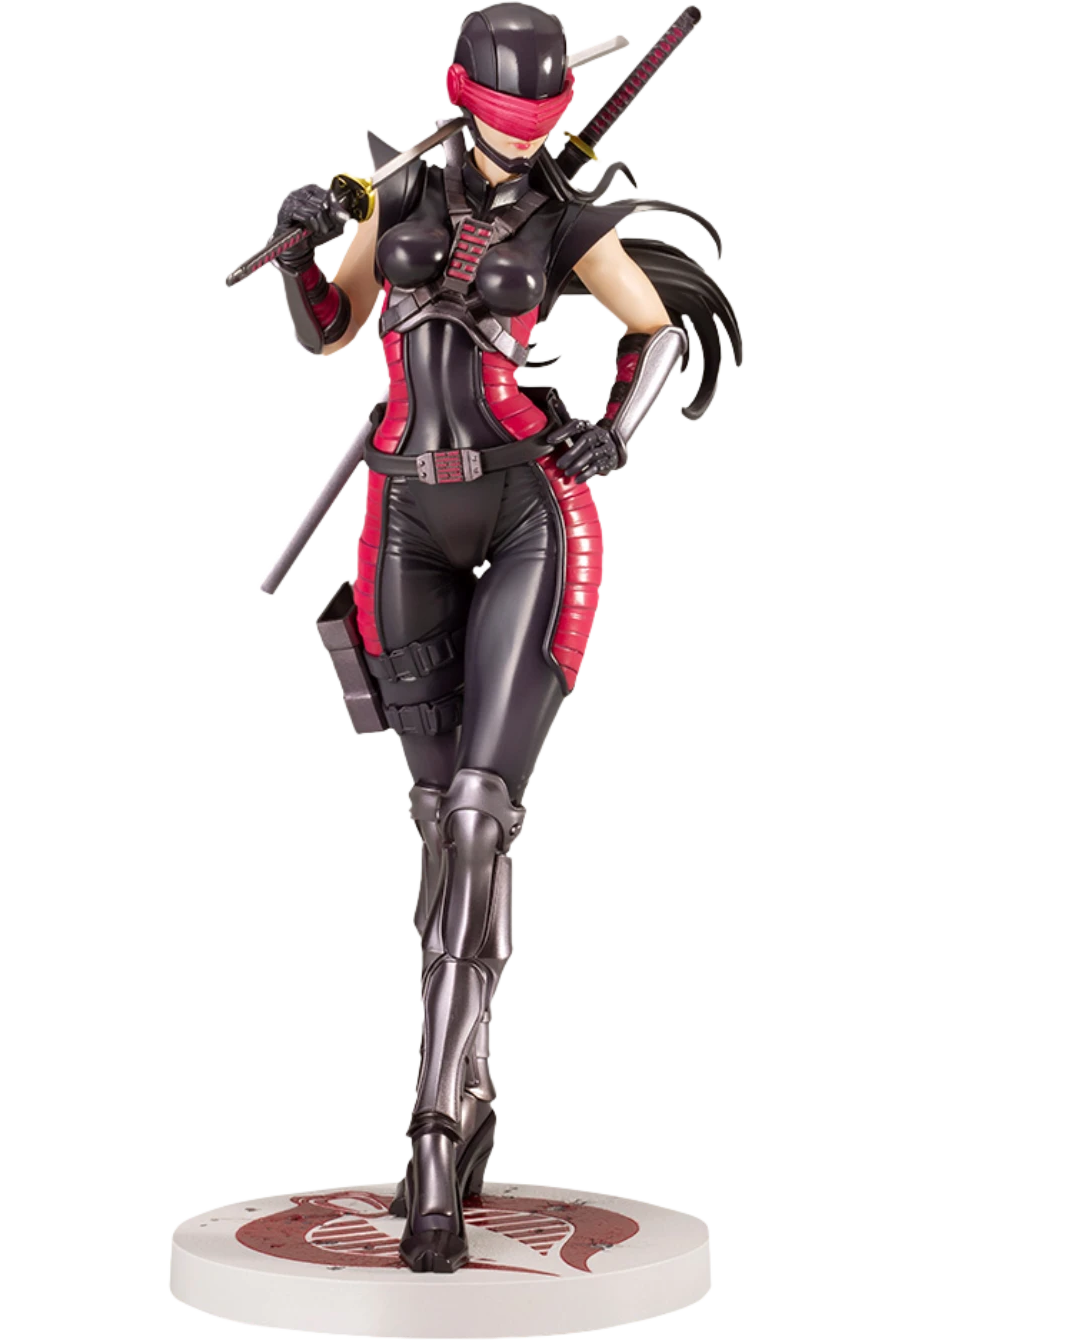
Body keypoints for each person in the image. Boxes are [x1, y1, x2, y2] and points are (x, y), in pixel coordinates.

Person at [268, 1, 741, 1273]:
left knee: (481, 811)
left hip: (529, 502)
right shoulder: (388, 189)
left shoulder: (562, 205)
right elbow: (335, 331)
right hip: (402, 514)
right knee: (437, 825)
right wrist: (306, 253)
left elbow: (654, 327)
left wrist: (612, 429)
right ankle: (467, 1102)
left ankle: (432, 1139)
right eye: (501, 119)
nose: (520, 141)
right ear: (457, 93)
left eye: (537, 122)